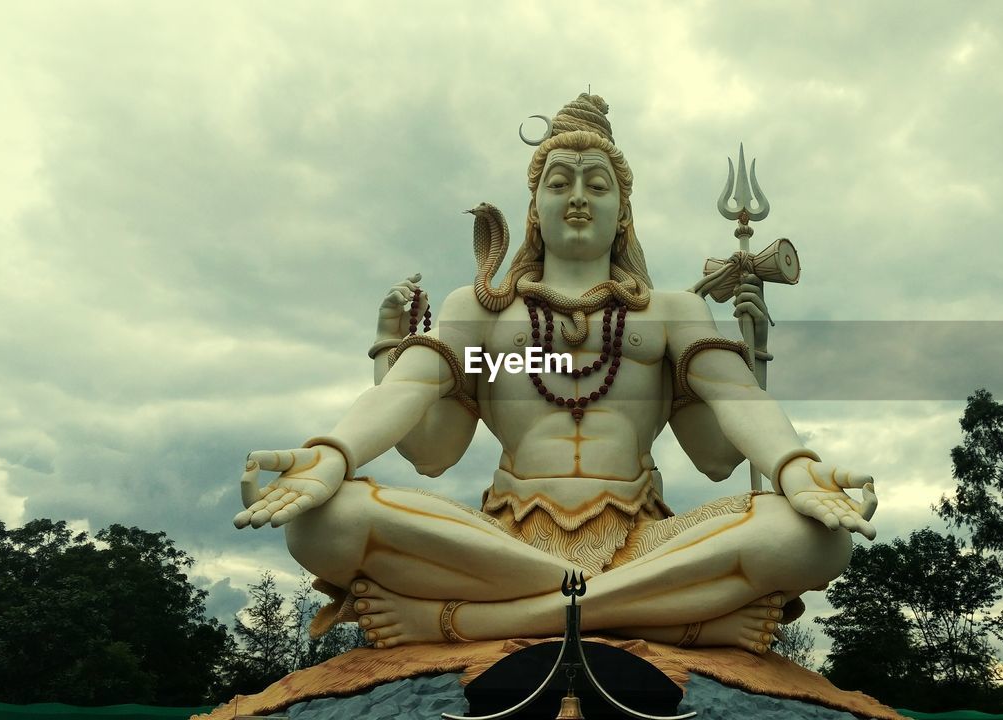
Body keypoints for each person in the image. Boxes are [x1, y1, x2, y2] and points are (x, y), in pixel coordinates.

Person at [233, 93, 876, 654]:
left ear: (623, 210)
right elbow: (431, 448)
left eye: (597, 185)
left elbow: (716, 450)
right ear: (534, 204)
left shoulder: (673, 311)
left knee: (813, 538)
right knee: (323, 521)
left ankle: (480, 619)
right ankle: (666, 619)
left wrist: (794, 464)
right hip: (501, 541)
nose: (578, 198)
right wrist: (336, 450)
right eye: (560, 182)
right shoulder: (480, 312)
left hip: (643, 539)